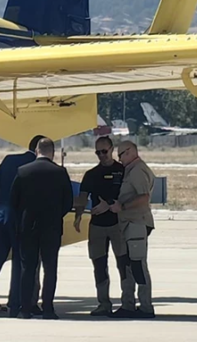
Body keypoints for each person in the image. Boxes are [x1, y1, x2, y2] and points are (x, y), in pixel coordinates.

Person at [0, 134, 45, 317]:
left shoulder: (9, 160)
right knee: (19, 263)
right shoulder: (36, 166)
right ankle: (14, 305)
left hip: (1, 216)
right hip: (20, 220)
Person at [10, 138, 73, 319]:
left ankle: (25, 309)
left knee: (28, 268)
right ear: (52, 152)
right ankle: (48, 309)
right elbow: (67, 202)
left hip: (28, 227)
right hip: (51, 228)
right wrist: (54, 215)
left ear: (37, 151)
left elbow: (13, 200)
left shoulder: (23, 171)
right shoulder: (60, 172)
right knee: (50, 268)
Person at [74, 136, 129, 317]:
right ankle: (103, 303)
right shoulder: (91, 174)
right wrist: (78, 214)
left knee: (123, 263)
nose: (101, 156)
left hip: (117, 224)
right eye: (97, 152)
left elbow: (130, 194)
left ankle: (128, 301)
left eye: (104, 151)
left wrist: (110, 203)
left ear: (111, 149)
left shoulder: (122, 171)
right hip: (97, 225)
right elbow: (83, 196)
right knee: (99, 264)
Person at [109, 140, 156, 318]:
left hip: (136, 222)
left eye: (121, 155)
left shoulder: (137, 170)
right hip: (129, 223)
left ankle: (145, 306)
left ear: (130, 152)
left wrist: (123, 206)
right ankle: (128, 304)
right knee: (128, 265)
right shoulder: (132, 169)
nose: (119, 159)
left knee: (137, 265)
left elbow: (144, 197)